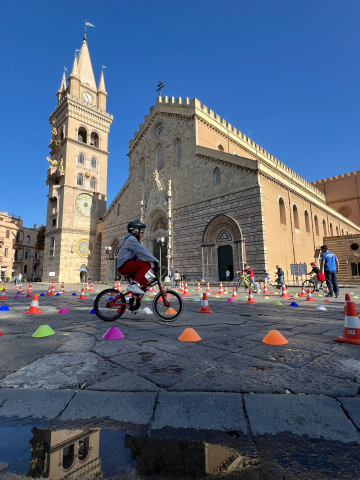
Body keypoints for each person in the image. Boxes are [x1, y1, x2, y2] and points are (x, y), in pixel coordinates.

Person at [117, 220, 159, 295]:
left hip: (125, 266)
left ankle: (134, 301)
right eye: (142, 232)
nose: (142, 235)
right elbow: (143, 251)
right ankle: (133, 285)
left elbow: (140, 257)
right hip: (124, 265)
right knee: (146, 264)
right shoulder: (131, 239)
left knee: (146, 284)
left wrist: (153, 266)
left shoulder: (131, 240)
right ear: (136, 232)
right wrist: (155, 261)